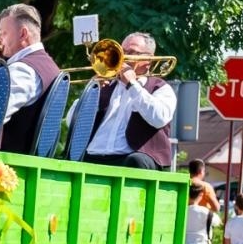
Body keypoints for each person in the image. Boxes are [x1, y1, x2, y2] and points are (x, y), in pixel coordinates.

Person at [72, 31, 176, 170]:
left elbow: (159, 118)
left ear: (149, 60)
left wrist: (132, 85)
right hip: (95, 155)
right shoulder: (106, 85)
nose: (123, 57)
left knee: (136, 161)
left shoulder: (160, 88)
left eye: (132, 52)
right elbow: (70, 120)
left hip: (132, 158)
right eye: (122, 51)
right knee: (70, 159)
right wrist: (91, 91)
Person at [0, 3, 63, 155]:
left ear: (23, 34)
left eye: (3, 33)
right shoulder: (49, 66)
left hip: (4, 164)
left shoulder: (23, 70)